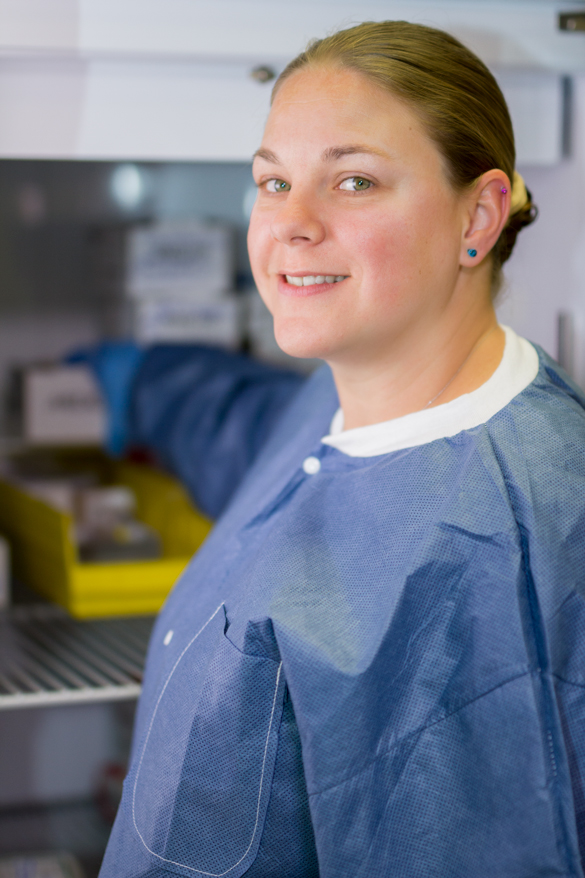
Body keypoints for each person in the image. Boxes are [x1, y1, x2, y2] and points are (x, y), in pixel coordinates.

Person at [96, 20, 585, 878]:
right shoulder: (345, 393)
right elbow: (249, 438)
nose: (291, 223)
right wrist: (140, 384)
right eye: (272, 181)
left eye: (353, 181)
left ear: (478, 215)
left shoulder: (504, 553)